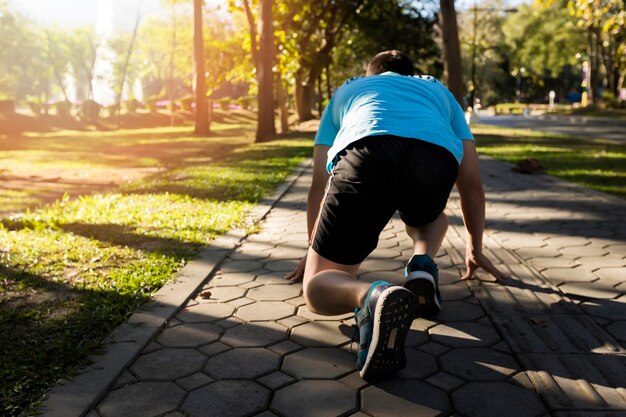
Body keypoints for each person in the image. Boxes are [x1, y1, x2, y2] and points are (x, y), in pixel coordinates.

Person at [286, 50, 503, 380]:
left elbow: (319, 182)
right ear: (411, 74)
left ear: (370, 72)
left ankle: (370, 297)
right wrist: (474, 249)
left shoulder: (348, 89)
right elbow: (471, 184)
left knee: (316, 289)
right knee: (433, 217)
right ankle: (421, 264)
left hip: (367, 152)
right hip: (435, 159)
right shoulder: (439, 92)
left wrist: (314, 248)